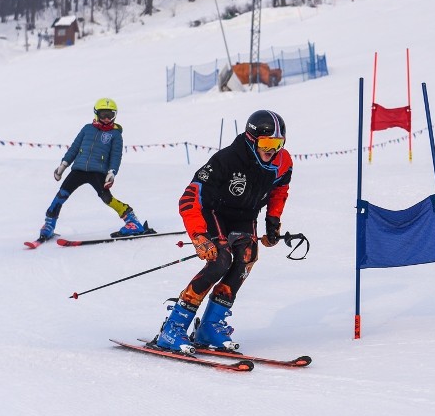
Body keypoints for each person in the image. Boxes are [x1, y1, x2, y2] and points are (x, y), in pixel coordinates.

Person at [150, 109, 293, 354]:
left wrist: (273, 223)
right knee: (220, 261)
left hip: (245, 216)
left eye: (278, 143)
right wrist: (198, 235)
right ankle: (172, 328)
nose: (272, 150)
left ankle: (209, 328)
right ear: (251, 139)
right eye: (267, 142)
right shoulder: (227, 160)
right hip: (214, 213)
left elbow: (280, 190)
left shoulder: (283, 161)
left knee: (246, 258)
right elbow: (189, 197)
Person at [38, 98, 148, 240]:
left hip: (98, 171)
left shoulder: (115, 135)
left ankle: (132, 221)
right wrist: (63, 165)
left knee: (107, 198)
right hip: (78, 169)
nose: (107, 119)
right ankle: (49, 224)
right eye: (103, 115)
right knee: (61, 195)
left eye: (110, 115)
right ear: (97, 114)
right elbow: (74, 148)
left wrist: (112, 172)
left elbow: (116, 156)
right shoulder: (87, 129)